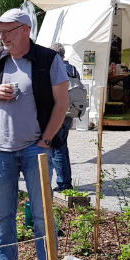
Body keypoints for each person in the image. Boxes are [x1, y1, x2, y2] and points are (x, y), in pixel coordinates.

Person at [0, 8, 68, 260]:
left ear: (25, 30)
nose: (2, 36)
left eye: (7, 31)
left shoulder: (47, 59)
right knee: (3, 216)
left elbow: (62, 103)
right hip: (1, 150)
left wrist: (45, 141)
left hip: (35, 149)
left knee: (41, 215)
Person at [49, 43, 77, 192]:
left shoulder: (55, 68)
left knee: (56, 148)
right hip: (70, 112)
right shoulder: (72, 68)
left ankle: (63, 184)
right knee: (63, 147)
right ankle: (66, 181)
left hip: (57, 112)